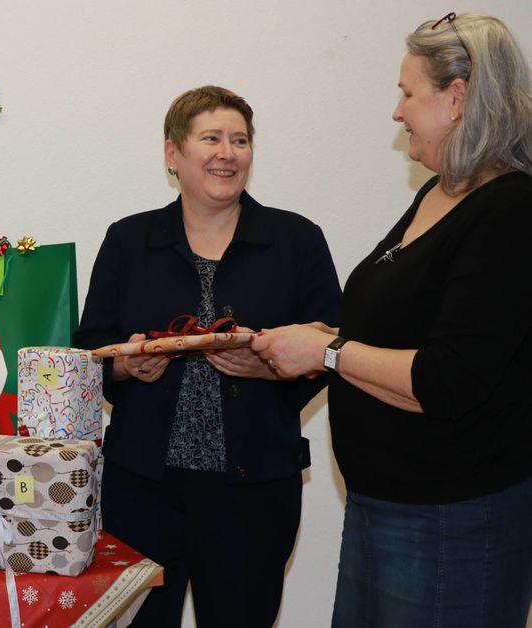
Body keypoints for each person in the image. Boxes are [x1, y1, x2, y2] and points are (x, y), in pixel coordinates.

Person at [252, 13, 532, 627]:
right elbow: (397, 332)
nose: (398, 112)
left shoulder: (510, 212)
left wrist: (327, 354)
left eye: (408, 93)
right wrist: (319, 341)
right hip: (384, 506)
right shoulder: (438, 193)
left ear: (456, 98)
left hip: (454, 519)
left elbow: (447, 380)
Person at [73, 85, 341, 628]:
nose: (228, 152)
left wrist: (270, 370)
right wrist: (126, 367)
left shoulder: (296, 241)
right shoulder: (127, 240)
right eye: (211, 138)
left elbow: (333, 346)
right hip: (143, 489)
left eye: (240, 140)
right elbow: (89, 353)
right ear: (173, 154)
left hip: (255, 491)